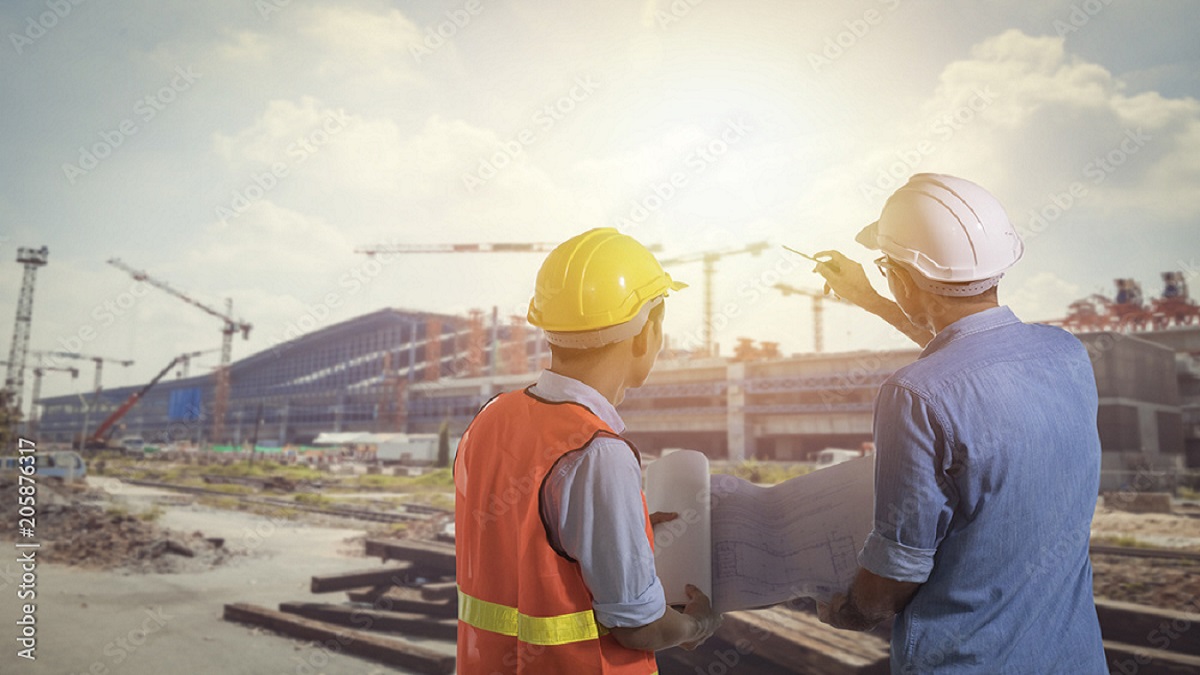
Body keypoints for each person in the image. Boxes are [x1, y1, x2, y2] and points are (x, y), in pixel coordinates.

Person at [812, 174, 1106, 673]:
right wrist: (869, 297)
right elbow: (973, 351)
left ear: (901, 278)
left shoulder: (911, 395)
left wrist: (848, 613)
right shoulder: (1067, 355)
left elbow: (894, 576)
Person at [454, 227, 722, 674]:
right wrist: (699, 625)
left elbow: (524, 538)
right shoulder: (598, 452)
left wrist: (623, 531)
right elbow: (640, 627)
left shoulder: (491, 417)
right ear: (646, 334)